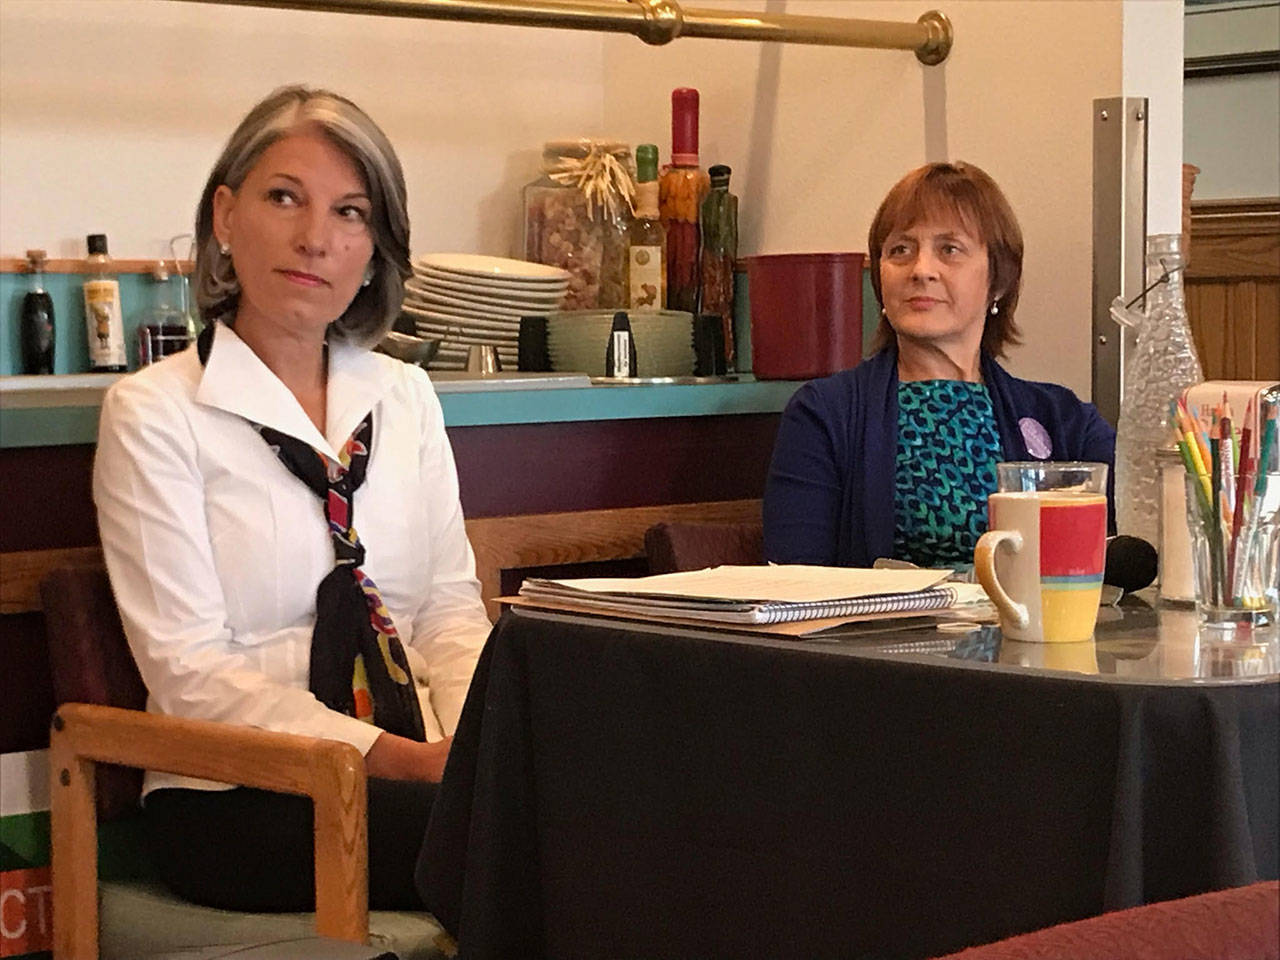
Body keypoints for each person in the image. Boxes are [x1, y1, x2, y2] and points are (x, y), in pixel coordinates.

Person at [93, 86, 493, 912]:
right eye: (285, 197)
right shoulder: (155, 412)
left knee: (591, 811)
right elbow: (189, 673)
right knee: (518, 845)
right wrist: (398, 761)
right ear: (225, 216)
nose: (316, 237)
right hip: (237, 793)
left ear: (375, 250)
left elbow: (449, 615)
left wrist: (476, 748)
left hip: (421, 770)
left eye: (351, 212)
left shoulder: (405, 396)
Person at [763, 161, 1115, 569]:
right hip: (880, 616)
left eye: (949, 249)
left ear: (999, 279)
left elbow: (1127, 549)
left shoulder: (1065, 420)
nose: (921, 270)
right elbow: (796, 581)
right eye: (900, 250)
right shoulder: (823, 413)